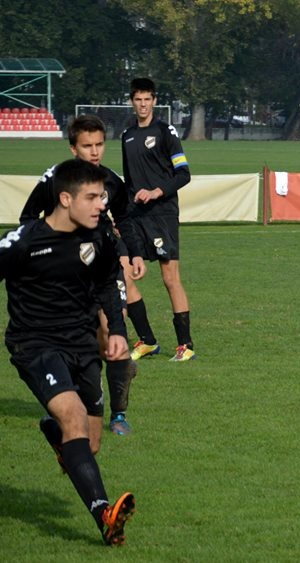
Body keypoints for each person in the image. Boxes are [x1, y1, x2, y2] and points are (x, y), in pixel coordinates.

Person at [1, 159, 136, 545]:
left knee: (89, 444)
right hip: (36, 346)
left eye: (102, 196)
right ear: (65, 199)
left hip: (82, 345)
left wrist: (117, 331)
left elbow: (108, 282)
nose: (101, 205)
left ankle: (56, 432)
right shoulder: (24, 241)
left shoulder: (98, 237)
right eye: (91, 197)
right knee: (74, 416)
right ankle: (105, 516)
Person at [20, 115, 144, 436]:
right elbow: (28, 217)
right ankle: (82, 394)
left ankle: (118, 415)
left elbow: (125, 218)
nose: (95, 151)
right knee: (84, 339)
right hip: (66, 274)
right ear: (73, 148)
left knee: (113, 332)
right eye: (87, 146)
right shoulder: (55, 180)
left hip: (104, 267)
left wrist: (135, 253)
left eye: (99, 144)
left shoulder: (111, 181)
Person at [121, 77, 195, 361]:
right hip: (135, 215)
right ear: (132, 101)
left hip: (162, 214)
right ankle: (148, 341)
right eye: (138, 99)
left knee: (169, 278)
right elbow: (129, 182)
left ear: (154, 101)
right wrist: (122, 214)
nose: (142, 104)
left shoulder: (166, 132)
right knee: (123, 273)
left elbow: (184, 174)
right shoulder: (127, 135)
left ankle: (185, 345)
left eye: (147, 99)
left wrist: (156, 192)